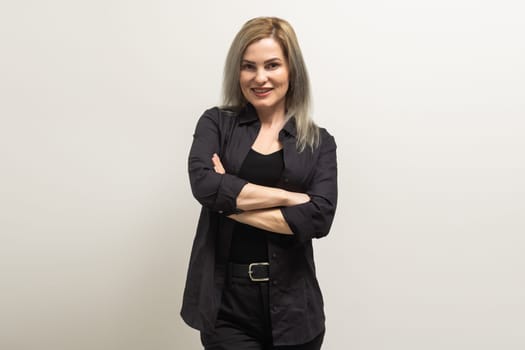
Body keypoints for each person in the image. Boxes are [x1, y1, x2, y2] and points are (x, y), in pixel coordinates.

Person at [181, 17, 338, 349]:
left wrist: (230, 205)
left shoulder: (319, 142)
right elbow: (204, 185)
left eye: (272, 65)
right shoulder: (216, 123)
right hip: (227, 304)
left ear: (291, 70)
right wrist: (288, 197)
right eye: (248, 66)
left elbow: (319, 217)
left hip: (297, 308)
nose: (260, 77)